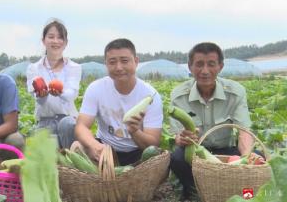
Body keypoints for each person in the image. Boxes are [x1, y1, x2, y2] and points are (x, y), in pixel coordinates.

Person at [169, 42, 255, 200]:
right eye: (199, 64)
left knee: (256, 156)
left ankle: (233, 189)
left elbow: (244, 131)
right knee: (176, 157)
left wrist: (247, 157)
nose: (205, 71)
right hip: (195, 153)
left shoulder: (235, 92)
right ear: (190, 67)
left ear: (220, 66)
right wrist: (181, 138)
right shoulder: (179, 95)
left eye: (211, 64)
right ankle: (193, 189)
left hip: (226, 151)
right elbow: (176, 135)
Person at [74, 38, 163, 166]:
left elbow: (153, 143)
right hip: (105, 149)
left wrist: (134, 131)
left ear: (136, 62)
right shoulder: (96, 88)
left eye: (124, 61)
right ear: (106, 64)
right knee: (77, 146)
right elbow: (81, 126)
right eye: (112, 62)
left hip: (137, 152)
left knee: (156, 159)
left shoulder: (150, 95)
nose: (119, 67)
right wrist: (94, 145)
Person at [26, 19, 81, 149]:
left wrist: (60, 92)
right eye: (51, 37)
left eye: (60, 37)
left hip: (68, 120)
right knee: (49, 162)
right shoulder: (34, 68)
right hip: (45, 122)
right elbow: (39, 100)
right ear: (43, 40)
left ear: (65, 43)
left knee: (67, 125)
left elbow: (71, 95)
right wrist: (42, 95)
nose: (55, 41)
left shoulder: (74, 67)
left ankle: (71, 167)